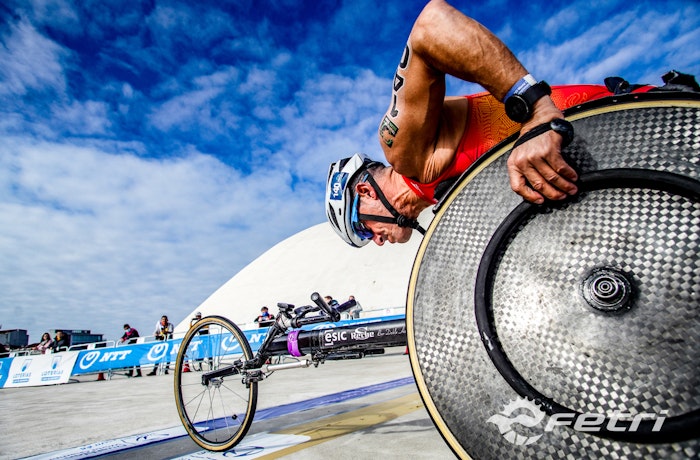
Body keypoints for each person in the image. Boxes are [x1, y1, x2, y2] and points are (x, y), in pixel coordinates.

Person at [325, 0, 646, 248]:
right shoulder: (437, 192)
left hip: (633, 129)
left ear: (365, 190)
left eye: (362, 228)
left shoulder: (403, 153)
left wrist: (537, 111)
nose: (377, 241)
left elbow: (431, 25)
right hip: (619, 164)